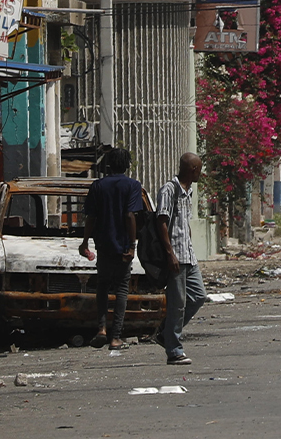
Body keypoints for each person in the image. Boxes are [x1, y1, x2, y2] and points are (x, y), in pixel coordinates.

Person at [79, 146, 145, 351]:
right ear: (126, 165)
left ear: (108, 165)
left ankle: (101, 329)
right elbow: (130, 216)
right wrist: (132, 245)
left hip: (104, 245)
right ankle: (115, 337)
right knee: (122, 289)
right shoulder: (132, 185)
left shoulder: (97, 186)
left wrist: (85, 242)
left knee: (103, 287)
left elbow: (91, 217)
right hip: (123, 246)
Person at [154, 152, 207, 365]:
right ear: (192, 169)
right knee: (177, 304)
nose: (201, 173)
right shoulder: (170, 189)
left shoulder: (189, 191)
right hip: (175, 255)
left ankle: (165, 334)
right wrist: (169, 254)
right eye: (199, 169)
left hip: (188, 255)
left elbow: (185, 224)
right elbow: (162, 222)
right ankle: (174, 350)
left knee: (198, 296)